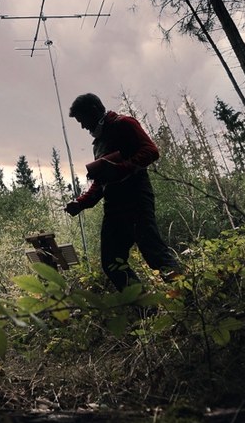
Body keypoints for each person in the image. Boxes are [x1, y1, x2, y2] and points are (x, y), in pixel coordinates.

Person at [64, 93, 180, 291]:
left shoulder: (124, 123)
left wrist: (122, 167)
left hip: (136, 199)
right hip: (114, 207)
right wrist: (81, 203)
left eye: (83, 121)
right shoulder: (98, 144)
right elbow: (101, 182)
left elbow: (151, 151)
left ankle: (189, 296)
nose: (83, 127)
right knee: (111, 262)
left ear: (94, 111)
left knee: (154, 253)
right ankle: (145, 308)